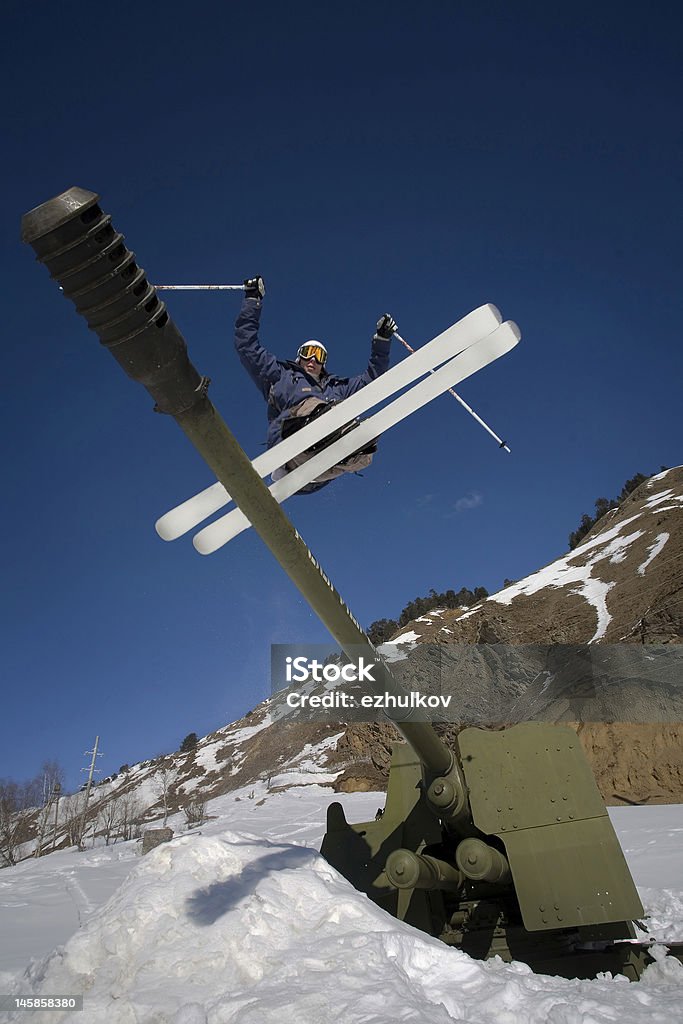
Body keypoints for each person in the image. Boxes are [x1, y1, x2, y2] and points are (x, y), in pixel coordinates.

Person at [234, 276, 397, 493]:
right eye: (308, 353)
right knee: (314, 405)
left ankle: (347, 446)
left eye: (319, 355)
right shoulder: (280, 375)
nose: (313, 359)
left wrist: (382, 341)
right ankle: (326, 434)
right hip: (292, 452)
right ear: (298, 357)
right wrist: (253, 300)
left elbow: (373, 379)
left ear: (324, 362)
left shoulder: (337, 388)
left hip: (319, 474)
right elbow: (247, 346)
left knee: (364, 436)